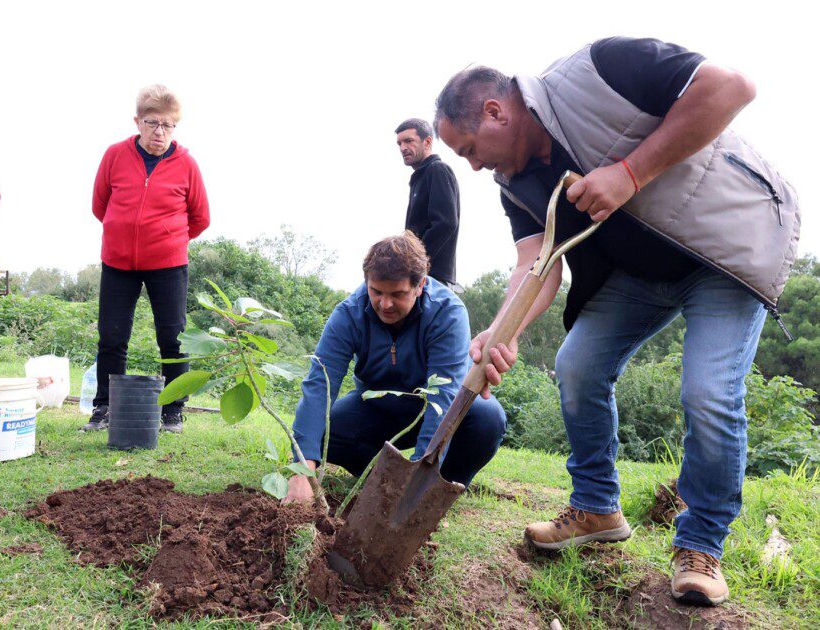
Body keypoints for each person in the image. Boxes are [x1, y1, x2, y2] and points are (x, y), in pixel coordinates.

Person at [434, 37, 800, 607]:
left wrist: (630, 172)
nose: (474, 165)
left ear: (494, 112)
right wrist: (500, 333)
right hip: (638, 272)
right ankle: (596, 506)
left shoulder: (600, 69)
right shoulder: (516, 182)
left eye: (469, 149)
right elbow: (538, 262)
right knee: (576, 365)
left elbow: (732, 87)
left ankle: (700, 545)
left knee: (707, 391)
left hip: (728, 248)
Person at [283, 231, 506, 504]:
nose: (384, 304)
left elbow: (444, 399)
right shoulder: (349, 313)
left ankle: (439, 485)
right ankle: (379, 479)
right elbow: (319, 384)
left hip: (431, 408)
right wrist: (303, 469)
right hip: (375, 407)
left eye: (397, 294)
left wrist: (417, 475)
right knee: (328, 432)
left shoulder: (447, 312)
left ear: (420, 285)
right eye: (376, 292)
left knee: (488, 417)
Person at [85, 85, 210, 434]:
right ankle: (104, 408)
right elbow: (100, 204)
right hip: (117, 263)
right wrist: (121, 233)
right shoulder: (114, 155)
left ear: (175, 126)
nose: (160, 132)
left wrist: (168, 241)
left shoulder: (186, 164)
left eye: (168, 125)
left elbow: (200, 218)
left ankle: (173, 410)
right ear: (137, 121)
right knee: (111, 336)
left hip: (168, 265)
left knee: (173, 338)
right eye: (152, 123)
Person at [395, 118, 460, 289]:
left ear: (428, 141)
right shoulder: (420, 177)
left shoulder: (437, 170)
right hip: (419, 274)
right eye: (399, 143)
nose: (403, 148)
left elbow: (445, 223)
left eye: (409, 141)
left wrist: (414, 263)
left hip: (431, 277)